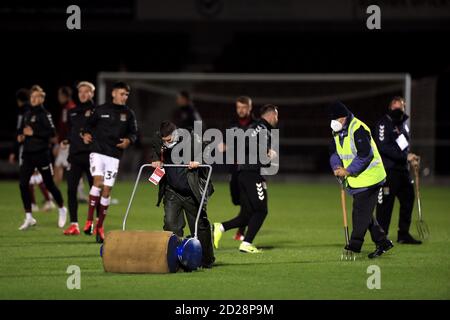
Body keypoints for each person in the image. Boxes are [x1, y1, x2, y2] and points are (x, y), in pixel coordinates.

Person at [328, 101, 393, 258]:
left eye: (334, 119)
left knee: (359, 213)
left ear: (343, 118)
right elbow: (334, 152)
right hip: (356, 180)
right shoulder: (337, 131)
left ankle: (354, 245)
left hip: (371, 178)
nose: (332, 123)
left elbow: (366, 155)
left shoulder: (358, 129)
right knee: (365, 213)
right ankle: (382, 242)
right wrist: (337, 167)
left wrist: (348, 170)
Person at [213, 104, 279, 253]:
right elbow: (247, 141)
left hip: (245, 172)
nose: (277, 118)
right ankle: (246, 243)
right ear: (271, 115)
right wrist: (266, 151)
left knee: (247, 214)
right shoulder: (261, 128)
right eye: (276, 115)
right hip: (250, 173)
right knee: (261, 211)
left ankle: (220, 227)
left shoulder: (261, 128)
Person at [150, 121, 215, 268]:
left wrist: (199, 161)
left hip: (192, 192)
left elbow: (207, 153)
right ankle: (175, 260)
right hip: (172, 191)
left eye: (169, 140)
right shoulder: (158, 138)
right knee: (171, 225)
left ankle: (206, 260)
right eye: (164, 141)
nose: (166, 143)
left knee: (199, 227)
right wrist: (155, 158)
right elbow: (154, 146)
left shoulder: (192, 139)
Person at [82, 82, 138, 243]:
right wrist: (85, 134)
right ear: (113, 93)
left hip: (114, 155)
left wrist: (129, 140)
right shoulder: (100, 110)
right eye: (122, 93)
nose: (124, 97)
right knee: (97, 182)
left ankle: (99, 226)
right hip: (98, 151)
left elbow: (134, 133)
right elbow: (87, 126)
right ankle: (88, 221)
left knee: (106, 191)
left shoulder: (128, 114)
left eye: (126, 94)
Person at [17, 85, 67, 230]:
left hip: (42, 154)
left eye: (37, 97)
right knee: (22, 184)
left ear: (42, 99)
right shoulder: (27, 113)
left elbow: (52, 133)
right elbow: (22, 131)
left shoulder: (45, 114)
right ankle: (29, 217)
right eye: (32, 97)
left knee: (49, 184)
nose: (33, 99)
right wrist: (20, 136)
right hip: (27, 154)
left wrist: (34, 133)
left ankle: (62, 208)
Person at [374, 97, 422, 244]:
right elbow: (383, 147)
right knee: (385, 205)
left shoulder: (403, 125)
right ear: (390, 107)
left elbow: (404, 146)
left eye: (401, 108)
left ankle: (403, 234)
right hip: (388, 171)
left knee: (408, 199)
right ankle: (381, 236)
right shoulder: (383, 124)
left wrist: (411, 158)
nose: (398, 110)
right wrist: (405, 156)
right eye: (396, 107)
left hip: (402, 171)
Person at [9, 88, 54, 212]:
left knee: (32, 177)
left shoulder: (28, 112)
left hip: (31, 148)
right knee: (33, 177)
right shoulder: (30, 111)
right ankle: (42, 201)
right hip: (33, 147)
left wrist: (15, 148)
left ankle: (42, 202)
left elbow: (23, 130)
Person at [219, 96, 256, 241]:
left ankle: (241, 232)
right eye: (238, 107)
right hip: (234, 167)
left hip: (250, 168)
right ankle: (241, 225)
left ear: (250, 108)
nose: (241, 110)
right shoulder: (231, 124)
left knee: (247, 200)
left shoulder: (256, 124)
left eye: (244, 107)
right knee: (236, 200)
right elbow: (224, 144)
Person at [63, 81, 97, 235]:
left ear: (92, 93)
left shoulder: (98, 111)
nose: (83, 94)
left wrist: (92, 137)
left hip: (92, 157)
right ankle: (74, 224)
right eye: (80, 92)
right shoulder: (73, 112)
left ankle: (96, 223)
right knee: (71, 190)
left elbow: (102, 133)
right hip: (75, 156)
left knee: (94, 191)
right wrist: (67, 140)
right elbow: (72, 132)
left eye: (86, 91)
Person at [54, 86, 77, 185]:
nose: (58, 97)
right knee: (74, 168)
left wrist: (60, 142)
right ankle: (80, 194)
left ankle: (52, 194)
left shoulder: (68, 108)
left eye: (60, 94)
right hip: (69, 142)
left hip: (67, 143)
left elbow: (67, 128)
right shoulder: (70, 107)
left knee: (59, 166)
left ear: (64, 95)